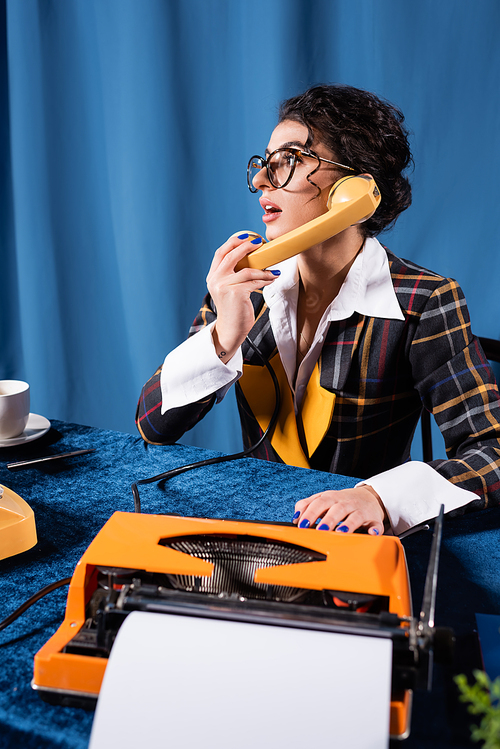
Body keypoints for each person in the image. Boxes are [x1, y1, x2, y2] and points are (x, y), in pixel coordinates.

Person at [136, 84, 500, 536]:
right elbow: (153, 426)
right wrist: (222, 337)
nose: (260, 182)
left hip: (357, 542)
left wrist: (379, 497)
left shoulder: (424, 300)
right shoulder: (243, 288)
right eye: (263, 163)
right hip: (253, 532)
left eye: (289, 161)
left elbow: (492, 451)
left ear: (352, 189)